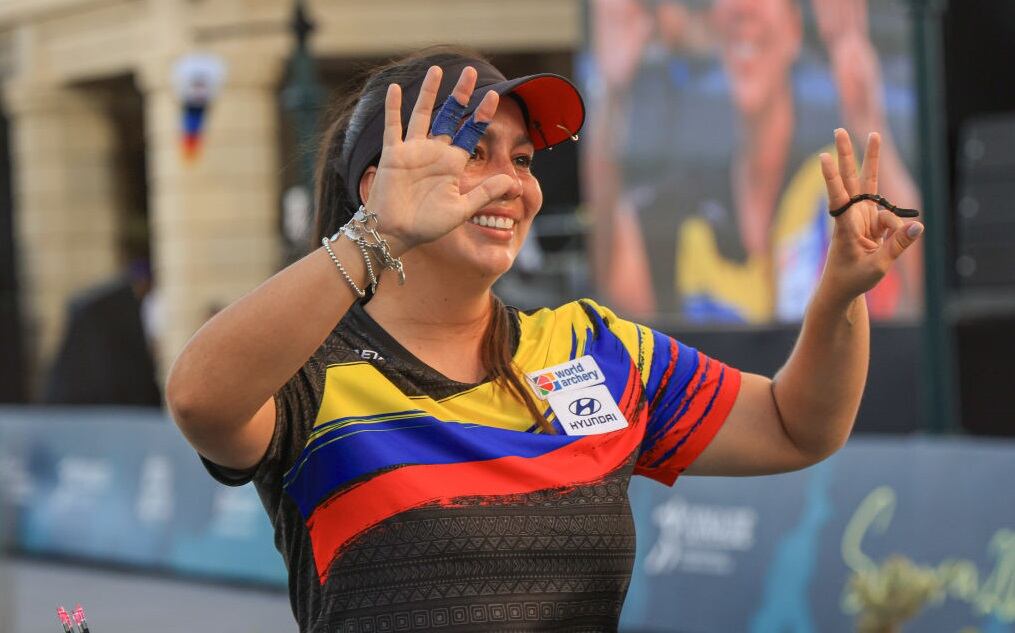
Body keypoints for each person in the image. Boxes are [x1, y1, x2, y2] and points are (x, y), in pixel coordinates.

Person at [166, 46, 923, 632]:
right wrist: (375, 236)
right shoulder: (309, 365)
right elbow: (200, 399)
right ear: (378, 182)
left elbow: (798, 427)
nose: (511, 183)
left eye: (522, 159)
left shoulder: (595, 347)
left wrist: (838, 293)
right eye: (474, 152)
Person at [587, 0, 922, 322]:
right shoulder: (685, 199)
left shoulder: (836, 177)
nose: (742, 8)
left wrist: (867, 121)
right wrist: (612, 96)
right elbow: (620, 293)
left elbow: (917, 288)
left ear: (794, 29)